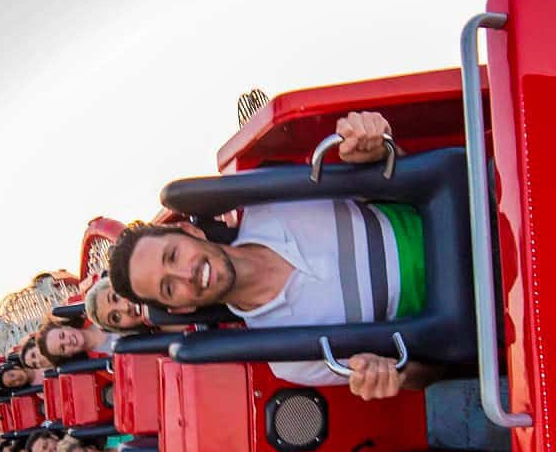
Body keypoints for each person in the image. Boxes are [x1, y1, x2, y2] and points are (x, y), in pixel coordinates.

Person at [108, 111, 440, 400]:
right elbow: (434, 374)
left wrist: (373, 145)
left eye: (173, 256)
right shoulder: (287, 357)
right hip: (470, 311)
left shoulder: (273, 198)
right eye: (169, 287)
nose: (185, 274)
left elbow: (396, 178)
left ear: (192, 232)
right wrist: (394, 376)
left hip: (461, 210)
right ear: (182, 307)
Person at [37, 318, 116, 366]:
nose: (68, 341)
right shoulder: (100, 365)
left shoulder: (95, 311)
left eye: (62, 335)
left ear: (66, 326)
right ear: (67, 355)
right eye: (63, 348)